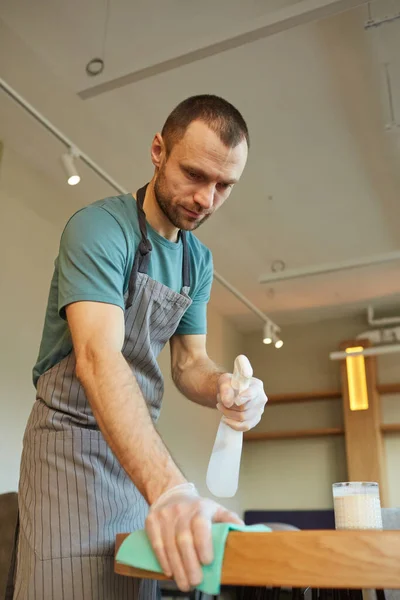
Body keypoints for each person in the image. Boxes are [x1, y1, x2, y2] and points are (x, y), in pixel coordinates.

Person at [12, 95, 268, 599]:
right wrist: (172, 490)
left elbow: (189, 362)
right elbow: (97, 358)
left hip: (134, 456)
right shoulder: (101, 230)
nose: (206, 199)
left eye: (224, 186)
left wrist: (225, 388)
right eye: (194, 174)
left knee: (130, 586)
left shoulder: (197, 262)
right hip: (69, 448)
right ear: (158, 150)